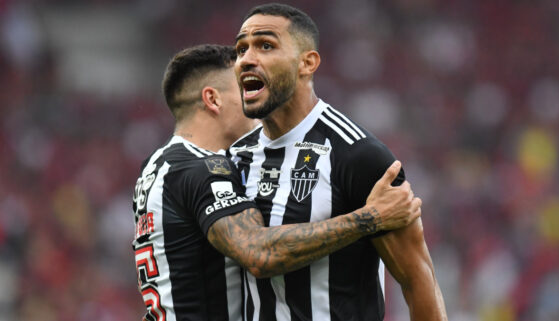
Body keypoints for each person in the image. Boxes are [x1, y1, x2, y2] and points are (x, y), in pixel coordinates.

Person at [132, 44, 421, 321]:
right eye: (243, 89)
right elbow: (257, 253)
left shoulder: (157, 167)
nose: (252, 101)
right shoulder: (202, 169)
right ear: (213, 99)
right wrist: (369, 218)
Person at [229, 3, 447, 321]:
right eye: (240, 49)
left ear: (307, 63)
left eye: (265, 45)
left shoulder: (358, 156)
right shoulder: (233, 159)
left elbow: (417, 281)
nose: (247, 59)